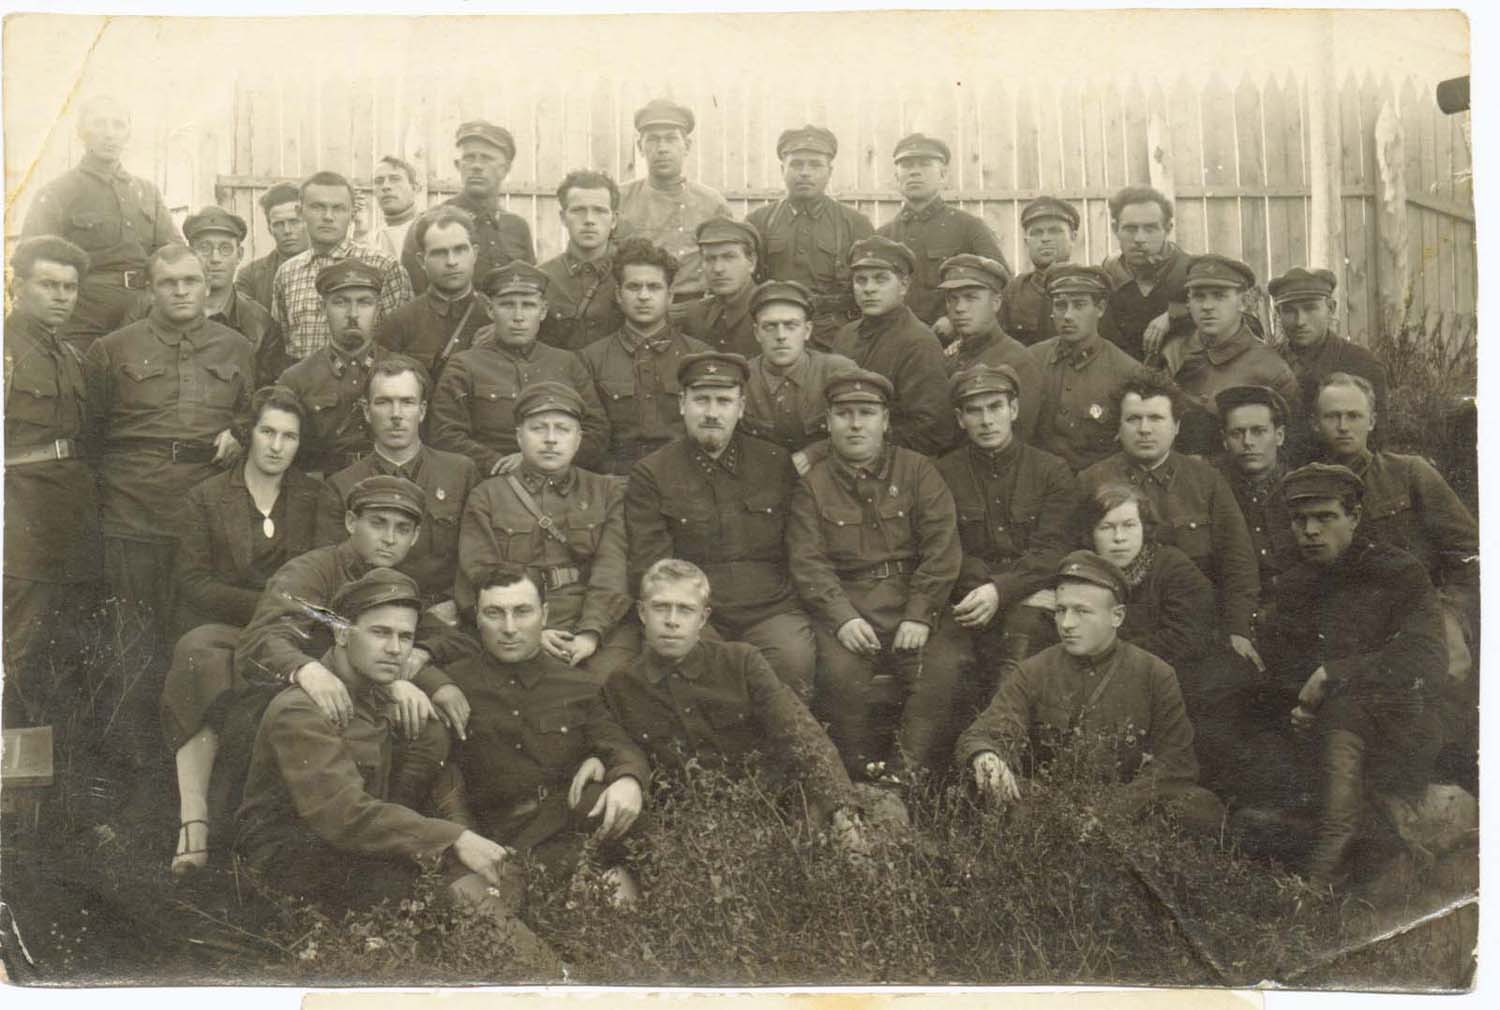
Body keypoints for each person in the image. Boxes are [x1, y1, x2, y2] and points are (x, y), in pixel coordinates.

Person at [233, 567, 534, 935]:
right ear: (342, 632)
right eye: (380, 633)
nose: (395, 649)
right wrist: (454, 839)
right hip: (290, 862)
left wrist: (461, 837)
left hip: (351, 846)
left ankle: (523, 956)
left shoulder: (377, 693)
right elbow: (344, 815)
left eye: (405, 637)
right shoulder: (300, 710)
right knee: (443, 892)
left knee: (468, 880)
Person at [84, 244, 253, 766]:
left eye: (190, 281)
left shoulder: (237, 348)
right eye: (168, 282)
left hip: (205, 514)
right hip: (134, 511)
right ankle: (134, 767)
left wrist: (240, 431)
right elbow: (91, 434)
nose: (181, 291)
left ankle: (194, 762)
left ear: (208, 284)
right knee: (132, 641)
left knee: (196, 639)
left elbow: (254, 412)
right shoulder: (112, 349)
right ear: (150, 288)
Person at [1243, 464, 1447, 886]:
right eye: (1299, 520)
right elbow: (1285, 669)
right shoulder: (1294, 583)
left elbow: (1426, 657)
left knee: (1344, 715)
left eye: (1325, 517)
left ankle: (1323, 875)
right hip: (1316, 725)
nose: (1310, 531)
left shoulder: (1398, 572)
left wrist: (1332, 674)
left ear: (1354, 517)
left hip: (1395, 723)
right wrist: (1298, 708)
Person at [588, 559, 871, 846]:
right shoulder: (621, 685)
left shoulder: (741, 663)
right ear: (642, 612)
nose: (672, 620)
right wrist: (623, 773)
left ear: (703, 618)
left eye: (685, 609)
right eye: (660, 607)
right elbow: (615, 744)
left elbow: (800, 732)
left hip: (766, 816)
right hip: (681, 828)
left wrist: (841, 806)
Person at [159, 386, 323, 875]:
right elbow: (193, 581)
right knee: (199, 656)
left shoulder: (314, 498)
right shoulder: (207, 497)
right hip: (226, 625)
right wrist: (263, 605)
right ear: (248, 433)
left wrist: (283, 615)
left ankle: (266, 833)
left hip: (292, 633)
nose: (276, 446)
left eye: (289, 436)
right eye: (267, 432)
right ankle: (194, 820)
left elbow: (323, 575)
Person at [417, 565, 650, 893]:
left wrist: (628, 778)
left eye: (522, 612)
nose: (509, 628)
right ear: (478, 618)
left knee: (620, 875)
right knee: (476, 908)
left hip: (561, 830)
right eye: (494, 613)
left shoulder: (578, 684)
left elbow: (618, 744)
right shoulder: (453, 683)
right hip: (489, 841)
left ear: (545, 614)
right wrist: (423, 683)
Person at [955, 550, 1223, 834]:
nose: (1067, 624)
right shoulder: (1034, 670)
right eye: (1061, 610)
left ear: (1117, 616)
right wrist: (986, 755)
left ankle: (1097, 838)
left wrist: (1112, 810)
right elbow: (987, 730)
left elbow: (1176, 762)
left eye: (1082, 611)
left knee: (1201, 808)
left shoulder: (1155, 674)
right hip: (1052, 799)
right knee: (981, 786)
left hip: (1128, 803)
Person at [788, 369, 970, 781]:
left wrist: (920, 614)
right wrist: (843, 619)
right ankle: (856, 779)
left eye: (867, 413)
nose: (855, 424)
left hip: (912, 600)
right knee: (838, 676)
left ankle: (905, 778)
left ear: (885, 420)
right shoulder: (812, 485)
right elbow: (808, 562)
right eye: (844, 414)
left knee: (943, 667)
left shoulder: (918, 471)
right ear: (828, 421)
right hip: (850, 607)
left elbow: (942, 549)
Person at [1313, 372, 1478, 773]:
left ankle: (1450, 773)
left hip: (1422, 608)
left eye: (1354, 415)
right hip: (1350, 616)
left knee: (1447, 667)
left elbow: (1468, 552)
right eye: (1332, 416)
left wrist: (1451, 611)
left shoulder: (1410, 473)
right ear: (1315, 424)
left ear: (1372, 421)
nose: (1343, 426)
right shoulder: (1310, 485)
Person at [626, 352, 818, 697]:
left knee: (792, 660)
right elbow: (652, 563)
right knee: (699, 669)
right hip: (696, 610)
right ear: (682, 404)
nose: (712, 412)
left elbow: (803, 545)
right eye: (701, 400)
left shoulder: (774, 462)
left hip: (770, 609)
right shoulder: (653, 472)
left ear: (741, 407)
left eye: (724, 401)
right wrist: (688, 615)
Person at [1078, 373, 1262, 672]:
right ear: (1119, 427)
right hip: (1120, 630)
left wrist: (1239, 629)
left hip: (1196, 630)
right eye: (1133, 419)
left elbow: (1238, 562)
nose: (1144, 429)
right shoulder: (1091, 481)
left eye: (1156, 418)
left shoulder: (1207, 481)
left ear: (1176, 426)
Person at [1079, 482, 1253, 790]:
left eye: (1129, 525)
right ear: (1091, 533)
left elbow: (1188, 638)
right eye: (1106, 527)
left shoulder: (1172, 566)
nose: (1119, 538)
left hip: (1187, 680)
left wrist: (1111, 651)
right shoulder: (1083, 575)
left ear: (1145, 528)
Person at [456, 382, 636, 679]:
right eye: (538, 428)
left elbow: (612, 568)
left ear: (578, 439)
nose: (551, 439)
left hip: (593, 621)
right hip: (514, 626)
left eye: (562, 429)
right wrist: (531, 631)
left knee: (611, 681)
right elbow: (479, 573)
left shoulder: (605, 492)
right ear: (519, 436)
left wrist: (591, 632)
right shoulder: (487, 496)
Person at [3, 236, 104, 730]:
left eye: (70, 287)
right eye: (48, 285)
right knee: (22, 646)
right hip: (20, 514)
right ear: (17, 286)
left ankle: (59, 765)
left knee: (68, 645)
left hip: (69, 511)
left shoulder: (70, 355)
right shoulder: (7, 351)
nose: (62, 296)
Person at [936, 364, 1077, 704]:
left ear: (1013, 409)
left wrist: (1002, 591)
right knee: (946, 666)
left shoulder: (1052, 470)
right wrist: (988, 591)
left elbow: (1053, 550)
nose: (986, 420)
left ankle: (999, 733)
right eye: (974, 411)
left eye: (995, 407)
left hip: (1032, 600)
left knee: (1021, 642)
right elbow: (944, 548)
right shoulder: (941, 473)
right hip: (968, 599)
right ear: (960, 419)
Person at [316, 356, 478, 611]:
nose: (396, 415)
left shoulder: (460, 473)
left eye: (407, 402)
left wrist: (457, 603)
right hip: (371, 612)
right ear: (367, 411)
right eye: (384, 402)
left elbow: (475, 556)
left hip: (445, 612)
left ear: (422, 411)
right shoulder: (341, 486)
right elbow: (333, 570)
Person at [21, 96, 181, 350]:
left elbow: (173, 253)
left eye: (118, 125)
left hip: (145, 311)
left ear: (128, 133)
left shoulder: (147, 192)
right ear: (81, 131)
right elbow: (32, 260)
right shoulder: (57, 192)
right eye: (99, 123)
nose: (110, 134)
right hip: (84, 315)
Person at [430, 263, 608, 476]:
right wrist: (498, 463)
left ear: (543, 311)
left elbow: (597, 432)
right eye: (507, 305)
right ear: (490, 310)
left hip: (561, 478)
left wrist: (542, 460)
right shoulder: (464, 365)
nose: (518, 316)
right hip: (490, 480)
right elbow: (446, 435)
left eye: (528, 305)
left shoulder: (568, 362)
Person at [577, 238, 712, 474]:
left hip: (685, 475)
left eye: (654, 287)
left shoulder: (700, 356)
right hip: (615, 478)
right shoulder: (590, 359)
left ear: (670, 296)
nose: (643, 296)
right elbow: (589, 436)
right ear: (618, 295)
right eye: (633, 287)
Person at [1156, 254, 1298, 455]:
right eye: (1199, 296)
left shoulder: (1271, 369)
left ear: (1244, 302)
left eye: (1219, 296)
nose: (1207, 306)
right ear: (1189, 302)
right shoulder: (1172, 353)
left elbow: (1288, 447)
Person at [747, 125, 874, 349]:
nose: (805, 172)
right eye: (796, 164)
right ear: (782, 169)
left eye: (815, 165)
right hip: (776, 332)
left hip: (836, 334)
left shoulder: (855, 223)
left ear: (830, 171)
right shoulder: (758, 222)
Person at [830, 236, 955, 456]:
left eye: (880, 279)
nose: (869, 289)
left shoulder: (919, 342)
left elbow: (932, 430)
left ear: (904, 285)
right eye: (861, 280)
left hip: (895, 462)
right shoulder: (845, 336)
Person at [271, 171, 412, 361]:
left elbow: (399, 345)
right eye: (318, 207)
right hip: (303, 378)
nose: (328, 217)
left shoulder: (384, 267)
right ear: (300, 211)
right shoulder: (287, 272)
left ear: (352, 213)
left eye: (338, 208)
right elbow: (282, 344)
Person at [876, 133, 1010, 329]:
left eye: (924, 164)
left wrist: (953, 320)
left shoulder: (968, 227)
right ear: (896, 177)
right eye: (907, 165)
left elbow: (1001, 285)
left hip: (953, 339)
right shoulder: (883, 236)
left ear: (943, 175)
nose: (914, 172)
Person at [1028, 263, 1146, 471]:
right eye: (1060, 305)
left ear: (1100, 308)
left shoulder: (1128, 372)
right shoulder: (1031, 360)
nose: (1068, 315)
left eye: (1079, 305)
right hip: (1038, 479)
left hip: (1097, 482)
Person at [276, 260, 389, 477]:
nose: (353, 314)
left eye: (364, 302)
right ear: (322, 308)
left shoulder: (405, 373)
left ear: (378, 310)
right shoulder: (296, 380)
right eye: (340, 302)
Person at [616, 99, 732, 305]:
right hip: (637, 304)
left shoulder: (712, 203)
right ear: (640, 146)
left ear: (686, 146)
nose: (662, 148)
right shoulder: (620, 199)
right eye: (653, 139)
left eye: (671, 139)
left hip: (696, 307)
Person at [402, 121, 535, 295]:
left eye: (487, 158)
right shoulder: (429, 224)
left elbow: (529, 291)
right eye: (469, 157)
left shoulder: (517, 227)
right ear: (458, 165)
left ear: (505, 169)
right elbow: (415, 296)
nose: (476, 166)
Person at [1269, 267, 1389, 455]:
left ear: (1331, 308)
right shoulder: (1267, 363)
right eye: (1289, 311)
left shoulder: (1362, 364)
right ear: (1278, 312)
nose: (1300, 321)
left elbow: (1376, 441)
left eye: (1310, 308)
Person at [740, 279, 857, 458]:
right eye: (770, 326)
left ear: (807, 330)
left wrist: (815, 453)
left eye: (791, 326)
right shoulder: (742, 378)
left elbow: (862, 429)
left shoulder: (838, 371)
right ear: (757, 333)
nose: (781, 336)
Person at [375, 206, 491, 385]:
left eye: (459, 250)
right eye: (439, 253)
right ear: (422, 261)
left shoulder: (493, 317)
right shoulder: (400, 323)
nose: (451, 261)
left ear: (474, 254)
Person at [175, 206, 287, 386]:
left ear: (239, 255)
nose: (215, 258)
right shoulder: (167, 312)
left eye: (225, 249)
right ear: (190, 253)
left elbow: (265, 392)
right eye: (204, 248)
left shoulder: (260, 324)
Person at [936, 253, 1041, 443]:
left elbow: (1018, 439)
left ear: (996, 303)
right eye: (952, 299)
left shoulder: (1018, 361)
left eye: (970, 298)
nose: (959, 308)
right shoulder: (950, 356)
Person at [1214, 385, 1298, 596]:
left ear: (1279, 436)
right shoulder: (1212, 491)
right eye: (1237, 433)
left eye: (1259, 431)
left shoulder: (1301, 489)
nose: (1248, 442)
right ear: (1224, 440)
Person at [1098, 185, 1193, 363]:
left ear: (1168, 229)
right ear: (1115, 229)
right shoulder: (1107, 272)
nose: (1139, 239)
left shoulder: (1191, 269)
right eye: (1130, 229)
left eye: (1150, 229)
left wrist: (1174, 315)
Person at [538, 170, 625, 352]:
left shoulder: (630, 275)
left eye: (599, 211)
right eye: (578, 211)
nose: (589, 220)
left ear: (614, 220)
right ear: (563, 218)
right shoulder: (542, 278)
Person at [998, 196, 1078, 347]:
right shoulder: (1013, 292)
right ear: (1026, 242)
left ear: (1073, 237)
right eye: (1037, 232)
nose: (1045, 239)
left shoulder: (1090, 287)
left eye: (1054, 231)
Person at [676, 218, 762, 358]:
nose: (718, 269)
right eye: (710, 259)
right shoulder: (695, 315)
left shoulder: (770, 313)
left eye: (729, 257)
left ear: (751, 262)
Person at [236, 183, 309, 311]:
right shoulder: (250, 276)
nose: (287, 230)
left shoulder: (329, 265)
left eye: (294, 221)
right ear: (269, 228)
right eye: (278, 224)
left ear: (308, 222)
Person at [371, 155, 421, 261]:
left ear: (414, 188)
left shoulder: (428, 232)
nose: (385, 186)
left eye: (395, 179)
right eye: (379, 181)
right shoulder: (370, 241)